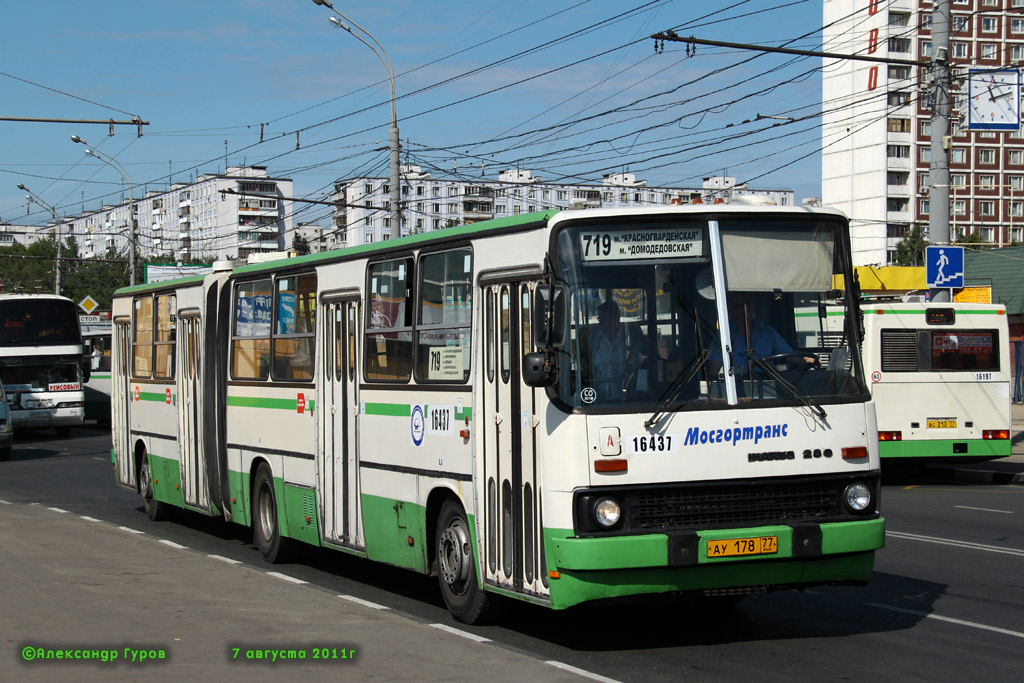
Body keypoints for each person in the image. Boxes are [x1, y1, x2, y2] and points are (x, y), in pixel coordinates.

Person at [707, 293, 809, 376]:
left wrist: (805, 359)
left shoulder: (768, 332)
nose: (743, 309)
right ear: (730, 310)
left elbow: (788, 354)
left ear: (754, 307)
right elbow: (713, 368)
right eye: (737, 306)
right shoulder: (723, 335)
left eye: (747, 304)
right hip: (737, 388)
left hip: (768, 384)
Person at [590, 299, 641, 400]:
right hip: (599, 394)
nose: (600, 323)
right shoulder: (595, 339)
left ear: (615, 319)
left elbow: (638, 363)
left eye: (603, 320)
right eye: (599, 319)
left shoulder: (628, 338)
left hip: (626, 395)